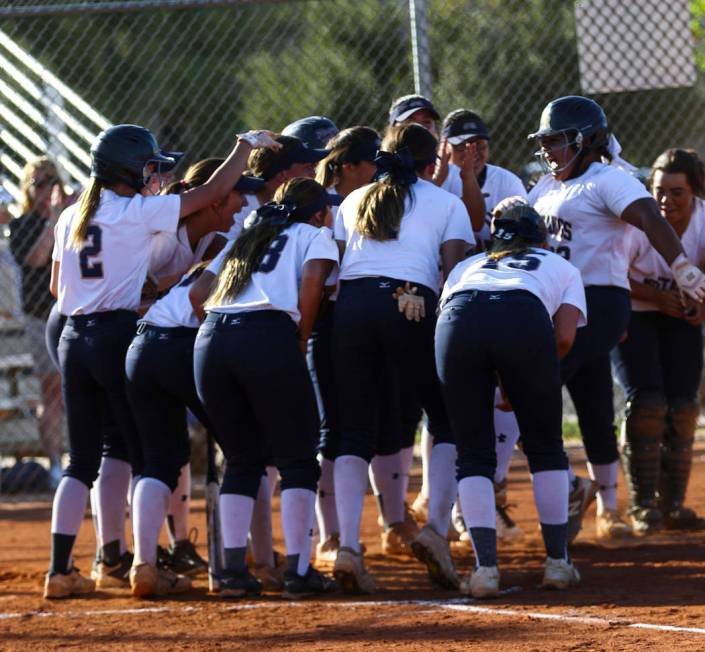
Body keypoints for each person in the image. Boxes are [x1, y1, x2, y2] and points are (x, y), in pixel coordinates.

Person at [43, 123, 279, 599]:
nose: (154, 174)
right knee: (151, 456)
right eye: (148, 166)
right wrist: (244, 147)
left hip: (71, 334)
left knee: (82, 460)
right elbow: (211, 191)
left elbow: (55, 289)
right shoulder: (135, 210)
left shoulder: (70, 216)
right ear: (127, 170)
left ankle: (60, 570)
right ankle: (147, 562)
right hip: (115, 333)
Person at [520, 95, 705, 542]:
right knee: (593, 403)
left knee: (527, 393)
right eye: (545, 141)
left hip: (597, 301)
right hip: (554, 303)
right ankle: (604, 504)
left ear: (585, 141)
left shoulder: (607, 179)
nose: (549, 150)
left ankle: (578, 489)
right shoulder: (546, 187)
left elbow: (646, 215)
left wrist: (680, 266)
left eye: (558, 140)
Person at [331, 123, 474, 593]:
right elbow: (453, 274)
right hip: (408, 301)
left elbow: (338, 266)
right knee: (446, 416)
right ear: (433, 164)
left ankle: (349, 546)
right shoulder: (446, 202)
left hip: (350, 307)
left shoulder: (354, 200)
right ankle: (434, 529)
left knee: (353, 430)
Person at [190, 178, 340, 600]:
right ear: (315, 213)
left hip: (213, 340)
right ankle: (298, 571)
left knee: (241, 458)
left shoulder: (249, 234)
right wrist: (300, 335)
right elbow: (313, 280)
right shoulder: (315, 233)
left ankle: (233, 572)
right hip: (267, 334)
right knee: (297, 459)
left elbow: (199, 294)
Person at [125, 164, 265, 597]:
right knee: (241, 448)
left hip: (143, 343)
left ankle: (144, 562)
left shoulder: (209, 246)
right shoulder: (245, 245)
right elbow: (197, 298)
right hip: (184, 344)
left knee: (160, 462)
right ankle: (228, 567)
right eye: (239, 198)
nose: (242, 205)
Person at [436, 204, 586, 598]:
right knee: (545, 449)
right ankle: (557, 563)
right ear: (540, 238)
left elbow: (454, 320)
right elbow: (565, 338)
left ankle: (485, 569)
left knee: (472, 454)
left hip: (457, 320)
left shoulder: (469, 264)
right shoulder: (559, 264)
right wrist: (521, 379)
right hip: (522, 316)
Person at [415, 109, 528, 542]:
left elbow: (483, 225)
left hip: (500, 297)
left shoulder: (506, 182)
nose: (473, 151)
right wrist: (454, 174)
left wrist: (463, 175)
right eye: (462, 143)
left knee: (506, 396)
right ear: (444, 146)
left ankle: (488, 494)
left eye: (480, 142)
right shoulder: (431, 183)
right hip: (450, 301)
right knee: (449, 405)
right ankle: (445, 503)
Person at [613, 148, 705, 534]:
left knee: (684, 406)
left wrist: (701, 307)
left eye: (676, 192)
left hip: (681, 316)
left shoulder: (703, 220)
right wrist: (657, 297)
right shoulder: (639, 224)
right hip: (635, 311)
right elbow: (614, 273)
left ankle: (673, 505)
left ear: (695, 193)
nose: (666, 201)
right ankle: (642, 505)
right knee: (648, 402)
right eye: (659, 191)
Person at [310, 126, 381, 563]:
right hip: (323, 319)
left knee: (350, 425)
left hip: (352, 320)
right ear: (349, 166)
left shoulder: (368, 202)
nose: (379, 169)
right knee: (331, 429)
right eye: (372, 160)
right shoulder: (326, 205)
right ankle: (328, 535)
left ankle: (341, 533)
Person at [9, 158, 69, 487]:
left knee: (85, 387)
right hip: (40, 316)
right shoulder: (22, 225)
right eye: (37, 183)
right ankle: (57, 465)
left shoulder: (76, 217)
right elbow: (36, 258)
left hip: (74, 310)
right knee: (52, 391)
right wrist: (55, 219)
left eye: (50, 181)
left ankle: (91, 458)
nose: (44, 189)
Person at [223, 135, 329, 241]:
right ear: (282, 175)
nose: (314, 174)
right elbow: (220, 254)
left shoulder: (296, 206)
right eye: (308, 167)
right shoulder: (241, 207)